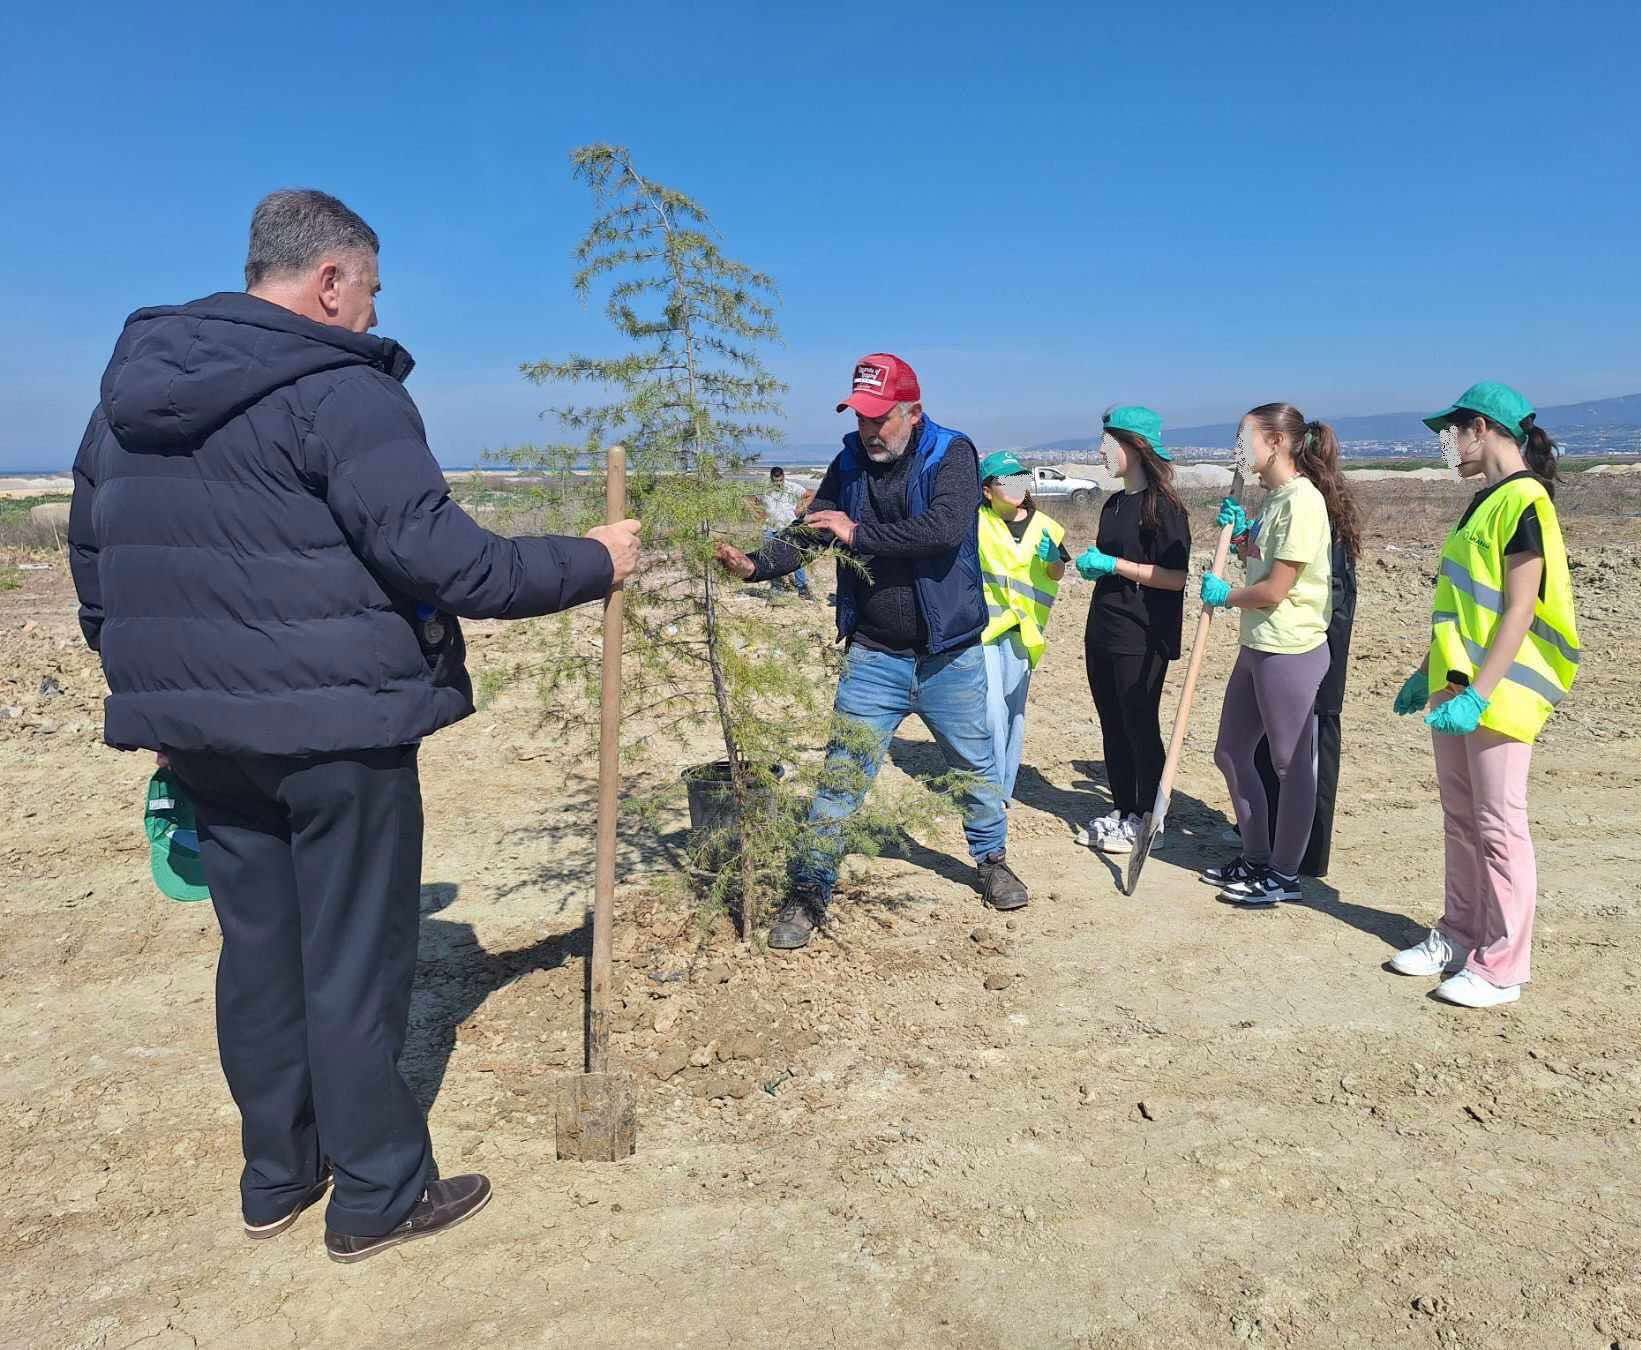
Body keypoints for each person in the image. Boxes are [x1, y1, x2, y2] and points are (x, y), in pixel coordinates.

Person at [66, 189, 642, 1262]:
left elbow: (98, 567)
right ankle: (378, 1193)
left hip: (203, 735)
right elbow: (449, 561)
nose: (376, 316)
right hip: (337, 733)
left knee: (261, 954)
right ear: (329, 281)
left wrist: (154, 690)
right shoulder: (339, 391)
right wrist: (592, 560)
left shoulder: (124, 405)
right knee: (354, 965)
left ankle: (277, 1173)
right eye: (371, 292)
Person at [713, 353, 1027, 949]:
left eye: (880, 418)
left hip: (948, 655)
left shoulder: (952, 454)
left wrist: (857, 534)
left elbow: (941, 530)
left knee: (975, 769)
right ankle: (808, 892)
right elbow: (814, 528)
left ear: (913, 411)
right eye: (861, 417)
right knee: (840, 779)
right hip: (874, 657)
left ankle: (991, 859)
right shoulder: (850, 462)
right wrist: (758, 565)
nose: (869, 429)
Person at [1387, 382, 1580, 1008]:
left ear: (1484, 428)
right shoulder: (1484, 502)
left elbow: (1522, 607)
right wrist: (1428, 670)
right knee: (1462, 819)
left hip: (1500, 691)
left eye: (1453, 431)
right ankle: (1459, 933)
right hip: (1457, 685)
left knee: (1499, 825)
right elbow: (1466, 603)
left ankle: (1503, 964)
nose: (1448, 445)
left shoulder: (1525, 500)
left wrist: (1483, 691)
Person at [1199, 404, 1359, 905]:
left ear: (1275, 442)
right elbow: (1262, 559)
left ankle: (1284, 874)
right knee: (1230, 751)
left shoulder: (1303, 502)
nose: (1239, 448)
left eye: (1245, 437)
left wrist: (1225, 596)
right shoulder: (1274, 499)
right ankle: (1255, 856)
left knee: (1291, 764)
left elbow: (1273, 590)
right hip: (1258, 643)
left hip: (1290, 648)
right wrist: (1243, 533)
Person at [1074, 406, 1191, 856]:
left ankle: (1148, 817)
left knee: (1139, 723)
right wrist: (1095, 568)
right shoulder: (1114, 503)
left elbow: (1175, 577)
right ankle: (1123, 810)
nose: (1101, 451)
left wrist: (1116, 565)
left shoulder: (1163, 507)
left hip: (1143, 634)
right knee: (1111, 723)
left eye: (1108, 443)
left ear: (1134, 447)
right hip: (1103, 626)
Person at [1250, 530, 1357, 876]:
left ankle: (1308, 851)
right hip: (1281, 640)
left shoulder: (1319, 515)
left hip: (1312, 639)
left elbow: (1328, 591)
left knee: (1309, 745)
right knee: (1272, 740)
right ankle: (1272, 835)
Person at [975, 451, 1068, 803]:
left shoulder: (1046, 526)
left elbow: (1057, 573)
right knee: (990, 709)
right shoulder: (975, 522)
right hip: (984, 630)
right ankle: (991, 788)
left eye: (1021, 479)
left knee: (1013, 711)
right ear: (987, 490)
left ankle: (1004, 788)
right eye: (1007, 480)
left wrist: (1053, 559)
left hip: (1025, 632)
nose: (1017, 487)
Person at [758, 465, 814, 598]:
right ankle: (777, 587)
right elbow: (756, 501)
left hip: (788, 527)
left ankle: (802, 588)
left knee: (795, 557)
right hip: (769, 529)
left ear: (783, 477)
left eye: (780, 480)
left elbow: (809, 494)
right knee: (771, 558)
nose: (778, 483)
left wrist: (801, 508)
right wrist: (761, 515)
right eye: (775, 481)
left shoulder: (792, 487)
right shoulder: (765, 489)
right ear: (771, 479)